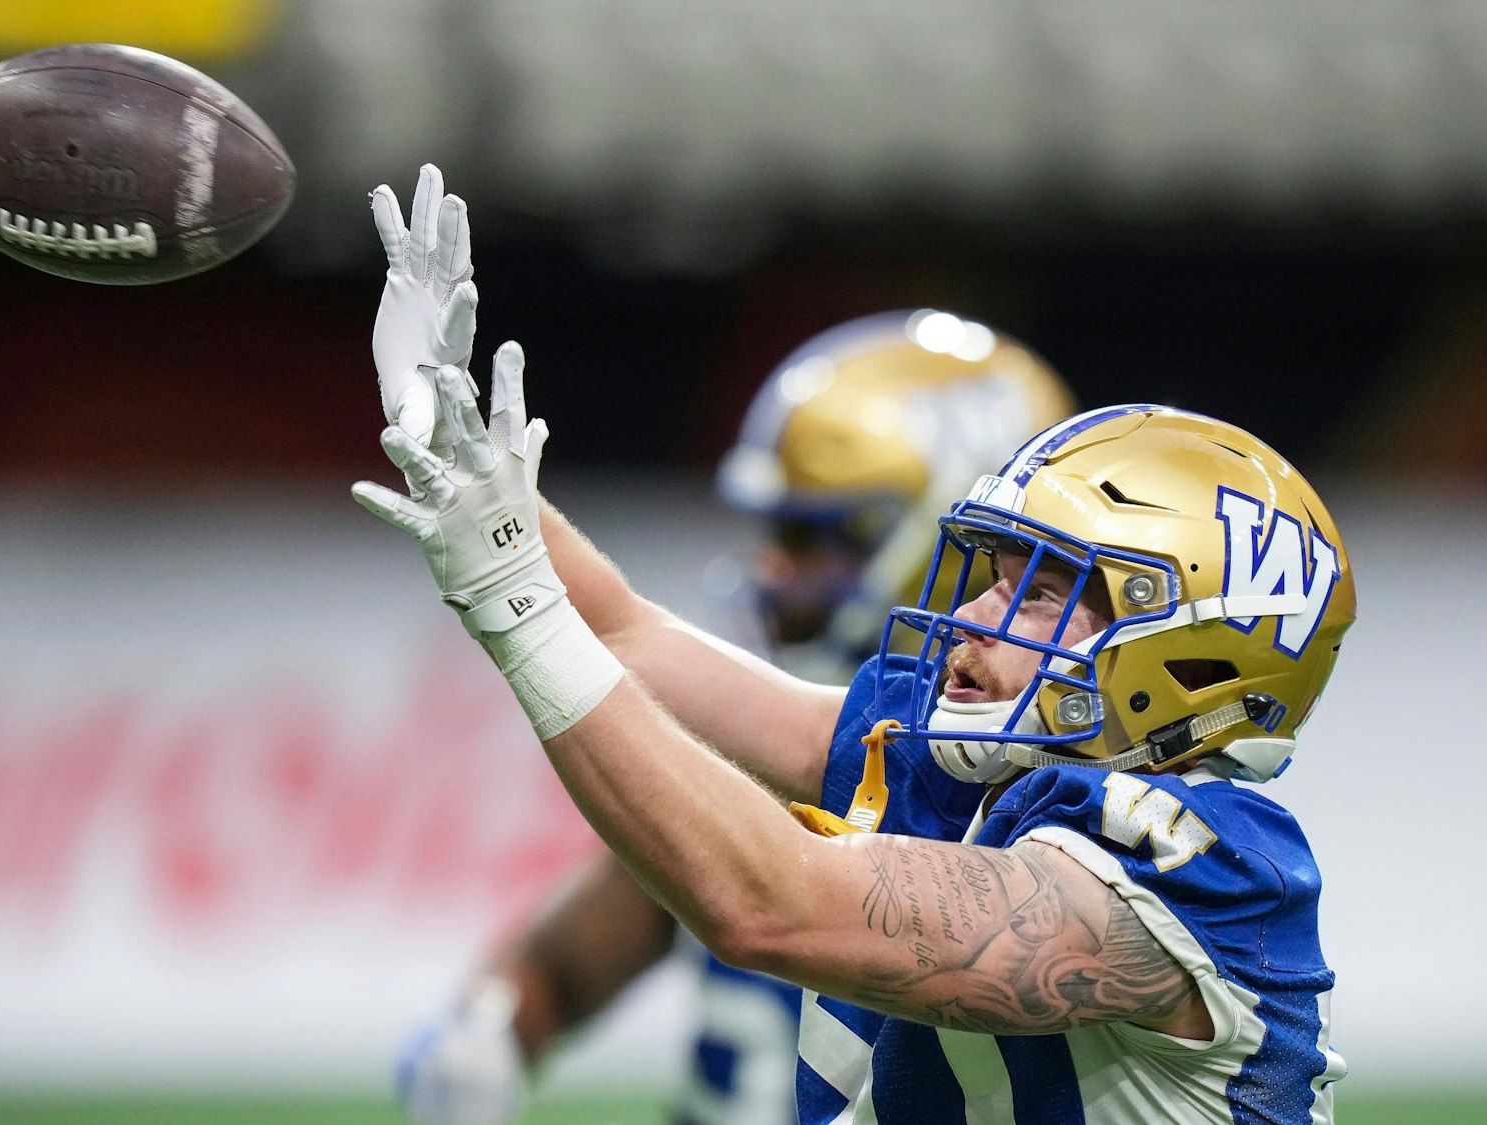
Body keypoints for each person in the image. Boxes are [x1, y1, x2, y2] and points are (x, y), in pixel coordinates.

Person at [358, 167, 1354, 1124]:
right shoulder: (960, 767)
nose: (975, 616)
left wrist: (512, 595)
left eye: (1042, 593)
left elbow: (769, 905)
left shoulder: (1198, 869)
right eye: (996, 577)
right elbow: (626, 631)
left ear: (1188, 660)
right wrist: (438, 430)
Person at [392, 307, 1078, 1125]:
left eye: (809, 536)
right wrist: (490, 1032)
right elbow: (567, 955)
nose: (773, 567)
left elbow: (766, 908)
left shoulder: (1060, 813)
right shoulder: (832, 737)